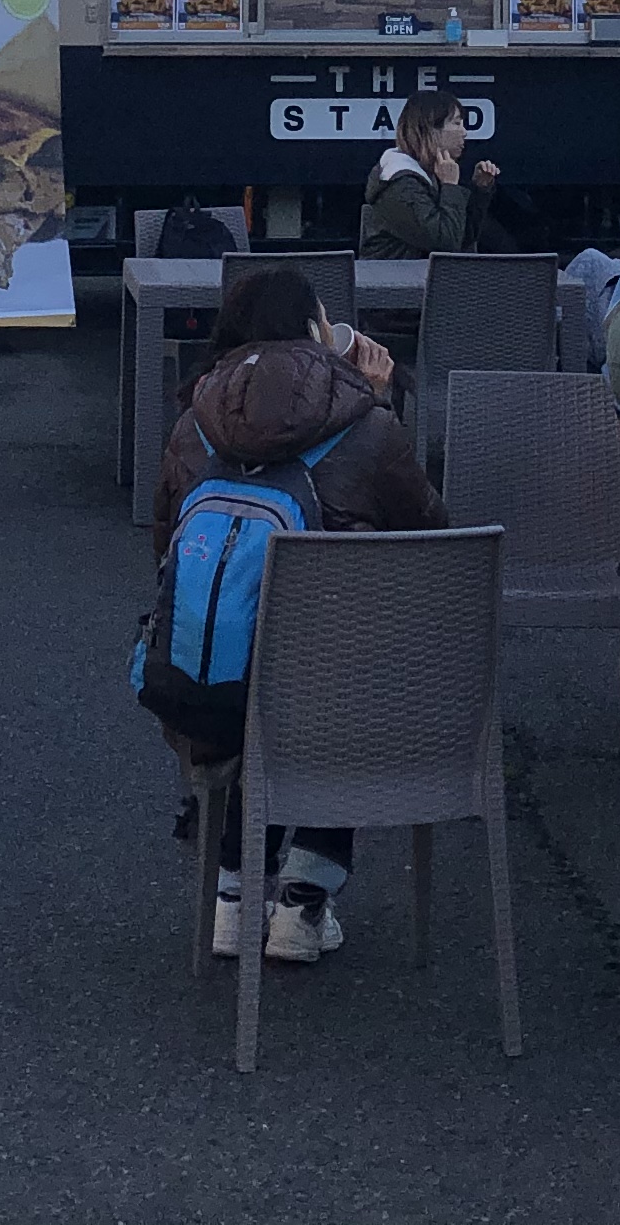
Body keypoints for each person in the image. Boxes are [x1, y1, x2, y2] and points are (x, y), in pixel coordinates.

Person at [151, 264, 446, 963]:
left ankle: (230, 892)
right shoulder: (369, 428)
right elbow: (431, 544)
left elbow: (164, 548)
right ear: (319, 335)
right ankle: (304, 901)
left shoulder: (193, 424)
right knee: (350, 648)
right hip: (340, 698)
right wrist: (377, 406)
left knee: (247, 651)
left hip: (206, 687)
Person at [360, 89, 502, 256]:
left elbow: (462, 237)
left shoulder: (428, 173)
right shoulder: (400, 183)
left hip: (422, 272)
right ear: (430, 128)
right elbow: (445, 244)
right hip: (395, 272)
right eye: (457, 123)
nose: (464, 132)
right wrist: (450, 186)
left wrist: (480, 190)